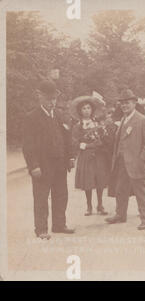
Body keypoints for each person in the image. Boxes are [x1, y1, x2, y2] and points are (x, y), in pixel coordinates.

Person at [22, 80, 76, 239]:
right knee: (41, 198)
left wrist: (70, 156)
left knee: (61, 195)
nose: (52, 102)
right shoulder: (31, 117)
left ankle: (59, 225)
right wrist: (33, 166)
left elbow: (67, 138)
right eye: (48, 99)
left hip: (60, 164)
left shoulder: (59, 115)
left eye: (54, 99)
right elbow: (28, 145)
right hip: (42, 166)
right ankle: (41, 230)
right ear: (39, 97)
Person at [105, 89, 145, 230]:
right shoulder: (123, 119)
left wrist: (141, 161)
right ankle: (120, 214)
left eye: (127, 103)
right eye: (122, 103)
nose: (124, 106)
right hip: (121, 161)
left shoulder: (143, 120)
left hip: (137, 163)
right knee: (120, 189)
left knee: (141, 192)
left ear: (134, 103)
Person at [70, 95, 109, 216]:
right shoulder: (78, 126)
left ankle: (100, 204)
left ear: (92, 110)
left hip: (98, 156)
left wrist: (100, 140)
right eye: (84, 109)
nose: (87, 110)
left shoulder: (97, 124)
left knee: (99, 180)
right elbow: (74, 141)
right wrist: (86, 146)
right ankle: (89, 206)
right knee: (88, 181)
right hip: (86, 156)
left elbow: (103, 138)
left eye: (88, 108)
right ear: (80, 111)